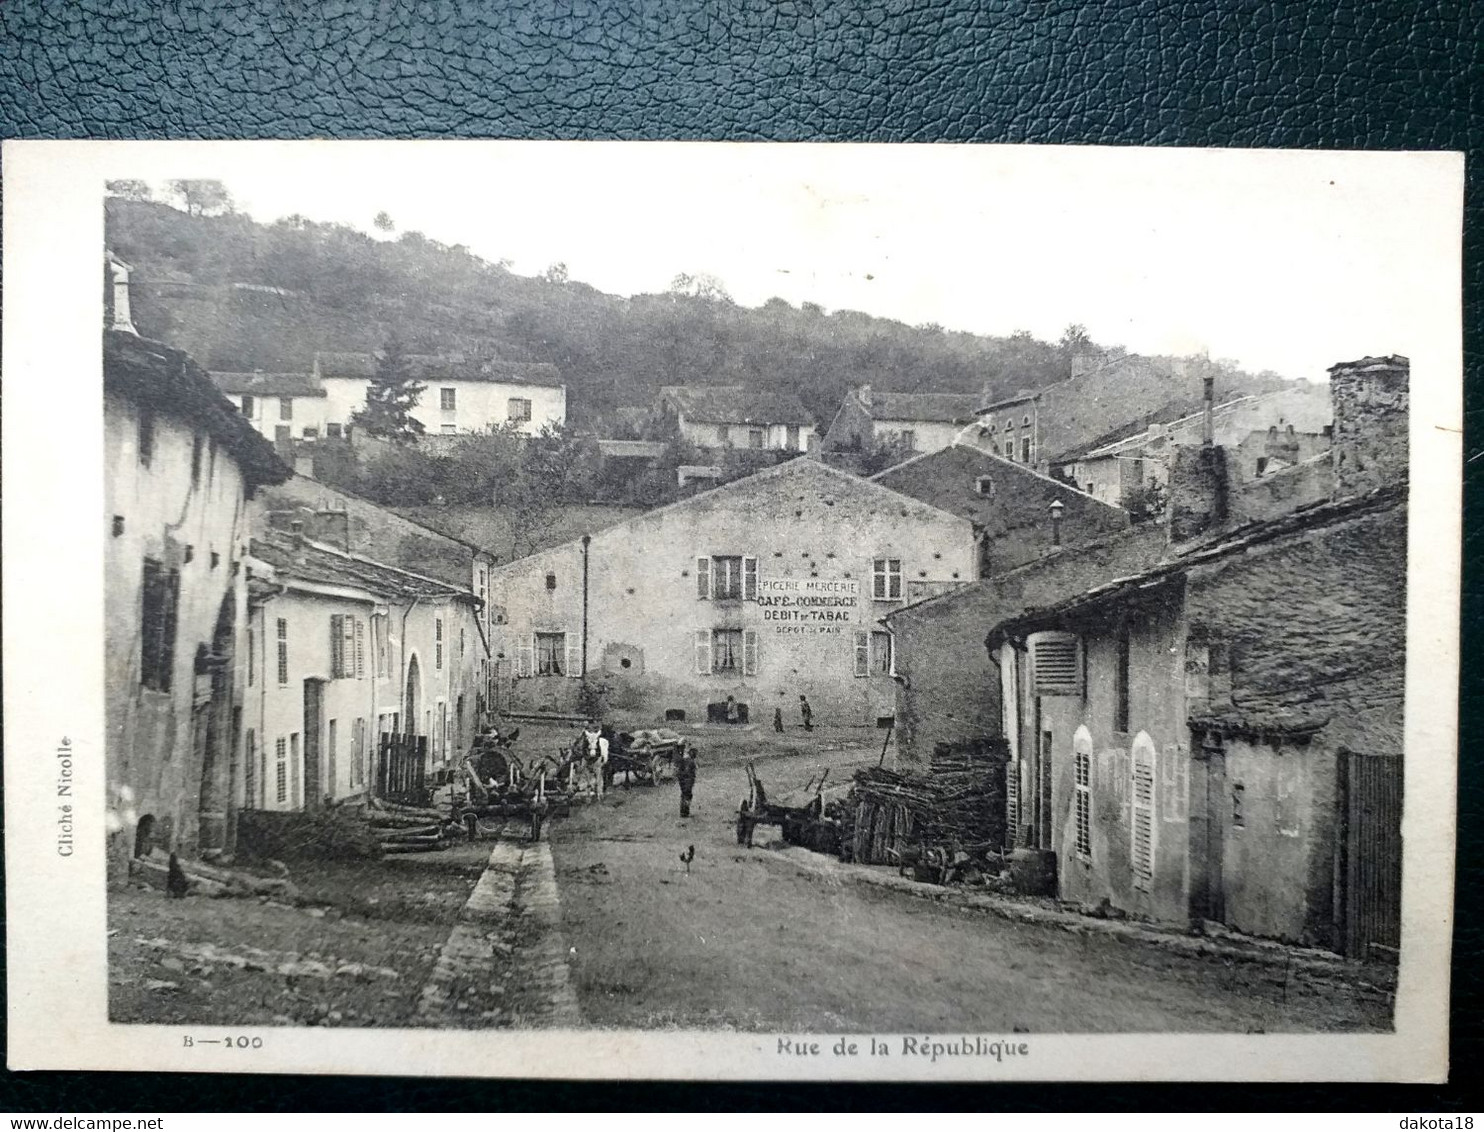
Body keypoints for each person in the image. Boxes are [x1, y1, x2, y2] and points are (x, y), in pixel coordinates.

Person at [677, 746, 698, 818]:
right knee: (687, 796)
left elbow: (679, 772)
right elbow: (688, 772)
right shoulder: (690, 762)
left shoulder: (685, 760)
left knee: (684, 795)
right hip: (687, 781)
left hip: (682, 780)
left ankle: (683, 812)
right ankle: (685, 813)